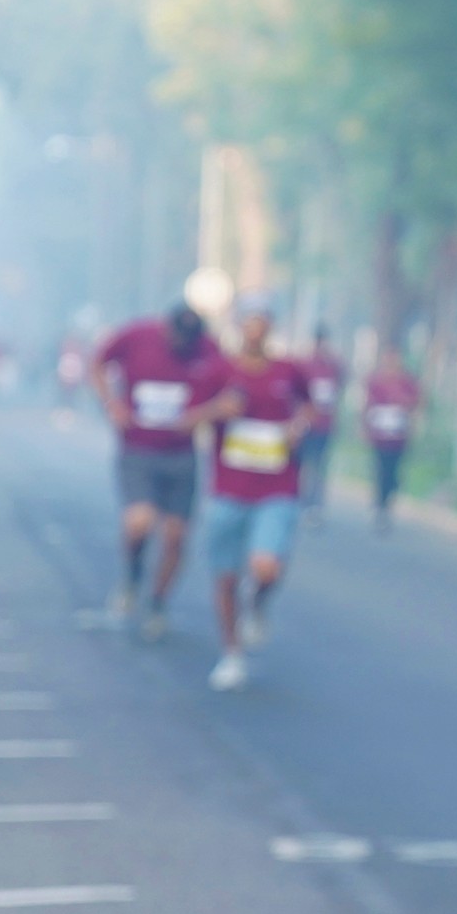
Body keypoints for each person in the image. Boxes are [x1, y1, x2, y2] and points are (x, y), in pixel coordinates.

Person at [187, 292, 315, 691]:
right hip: (229, 489)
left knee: (265, 566)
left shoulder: (289, 370)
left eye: (263, 322)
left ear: (271, 327)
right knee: (226, 577)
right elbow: (188, 418)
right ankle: (231, 654)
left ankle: (258, 604)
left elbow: (309, 408)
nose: (256, 329)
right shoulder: (218, 372)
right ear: (239, 326)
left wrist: (298, 427)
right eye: (249, 321)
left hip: (277, 487)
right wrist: (218, 410)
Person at [92, 304, 225, 636]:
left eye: (189, 340)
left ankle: (158, 602)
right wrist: (111, 403)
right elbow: (97, 363)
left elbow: (228, 393)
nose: (182, 345)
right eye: (178, 337)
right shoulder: (137, 336)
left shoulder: (208, 350)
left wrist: (200, 416)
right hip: (138, 448)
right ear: (167, 328)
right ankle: (132, 576)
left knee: (175, 536)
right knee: (139, 522)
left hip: (181, 454)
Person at [361, 344, 421, 533]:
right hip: (380, 436)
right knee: (380, 469)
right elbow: (367, 405)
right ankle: (380, 505)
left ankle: (387, 501)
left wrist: (409, 419)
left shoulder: (407, 381)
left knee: (393, 473)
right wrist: (366, 426)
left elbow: (416, 404)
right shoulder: (376, 381)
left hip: (398, 437)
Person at [297, 324, 346, 521]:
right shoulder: (304, 364)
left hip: (325, 424)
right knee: (303, 464)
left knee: (319, 465)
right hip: (306, 423)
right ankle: (301, 501)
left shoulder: (333, 365)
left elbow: (339, 390)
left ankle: (315, 504)